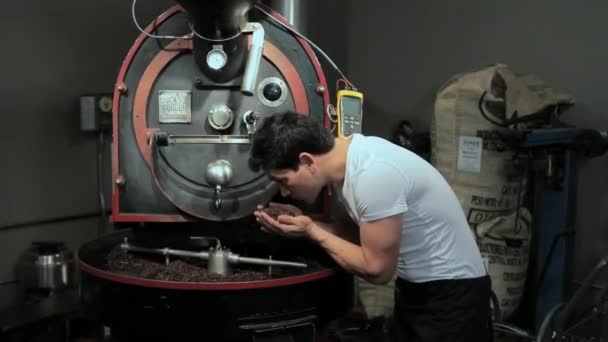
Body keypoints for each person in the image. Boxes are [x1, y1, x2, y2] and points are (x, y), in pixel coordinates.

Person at [250, 111, 492, 342]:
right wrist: (306, 223)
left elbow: (377, 270)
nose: (283, 191)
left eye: (283, 180)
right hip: (417, 290)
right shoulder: (348, 163)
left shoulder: (373, 175)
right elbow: (356, 236)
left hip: (452, 297)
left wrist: (313, 232)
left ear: (307, 161)